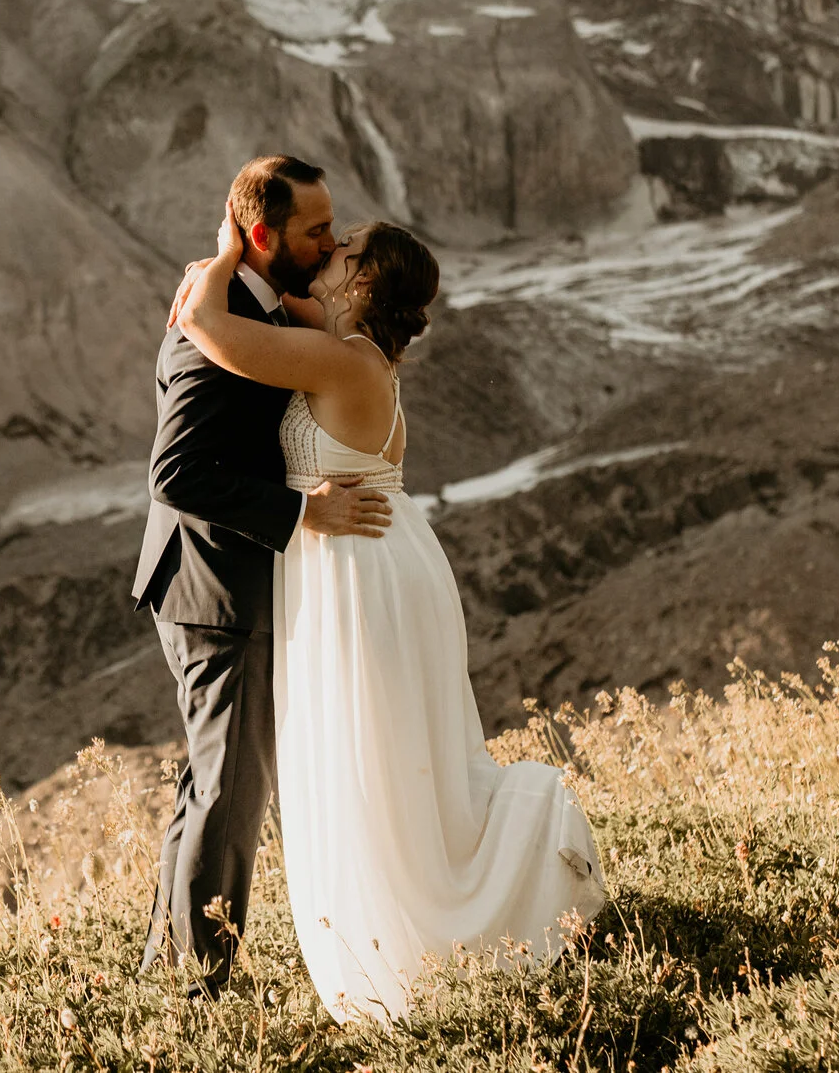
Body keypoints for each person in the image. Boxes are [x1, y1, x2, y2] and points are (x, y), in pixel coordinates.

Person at [172, 208, 607, 1023]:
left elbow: (205, 324)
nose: (332, 252)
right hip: (380, 564)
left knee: (371, 762)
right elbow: (277, 309)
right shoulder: (355, 349)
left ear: (368, 281)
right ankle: (415, 937)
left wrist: (228, 251)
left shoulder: (341, 362)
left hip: (359, 574)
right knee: (394, 763)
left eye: (349, 250)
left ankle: (430, 938)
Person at [133, 156, 396, 995]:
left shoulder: (250, 300)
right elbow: (174, 472)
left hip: (227, 582)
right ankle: (206, 985)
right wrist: (302, 515)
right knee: (230, 790)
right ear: (262, 234)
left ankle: (169, 968)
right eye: (315, 229)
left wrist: (217, 260)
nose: (328, 242)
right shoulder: (206, 328)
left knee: (211, 780)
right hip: (216, 586)